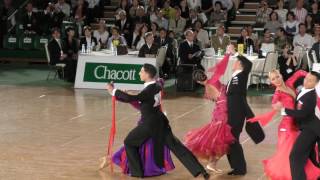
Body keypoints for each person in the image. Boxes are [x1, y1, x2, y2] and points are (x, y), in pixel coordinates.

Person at [106, 64, 210, 179]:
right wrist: (117, 93)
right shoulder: (157, 85)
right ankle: (201, 171)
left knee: (129, 142)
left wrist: (114, 90)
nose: (139, 73)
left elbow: (133, 98)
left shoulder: (148, 90)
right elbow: (150, 90)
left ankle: (137, 173)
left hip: (149, 124)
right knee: (177, 147)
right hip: (160, 122)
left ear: (147, 74)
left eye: (141, 71)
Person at [249, 70, 320, 180]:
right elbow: (274, 104)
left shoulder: (289, 84)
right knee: (288, 155)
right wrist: (277, 106)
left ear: (281, 75)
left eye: (277, 76)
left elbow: (299, 72)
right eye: (273, 79)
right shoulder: (277, 93)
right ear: (271, 81)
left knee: (302, 154)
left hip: (297, 125)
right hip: (286, 127)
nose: (276, 80)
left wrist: (310, 77)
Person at [100, 79, 175, 176]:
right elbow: (133, 98)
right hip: (148, 126)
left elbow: (134, 98)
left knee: (136, 146)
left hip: (152, 125)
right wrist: (116, 92)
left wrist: (116, 92)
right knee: (138, 147)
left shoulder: (151, 94)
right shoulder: (154, 93)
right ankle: (112, 159)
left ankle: (111, 159)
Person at [184, 45, 236, 173]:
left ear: (198, 82)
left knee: (218, 140)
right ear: (204, 74)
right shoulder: (213, 79)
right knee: (221, 140)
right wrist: (228, 54)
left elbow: (216, 99)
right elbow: (222, 66)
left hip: (219, 112)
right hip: (222, 112)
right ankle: (212, 164)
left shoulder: (207, 89)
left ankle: (212, 164)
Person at [275, 71, 320, 180]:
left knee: (295, 157)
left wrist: (284, 110)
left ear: (316, 83)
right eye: (306, 78)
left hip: (310, 129)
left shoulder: (311, 97)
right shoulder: (302, 89)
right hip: (308, 127)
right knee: (312, 158)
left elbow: (302, 113)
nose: (306, 81)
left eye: (310, 80)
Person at [226, 54, 257, 175]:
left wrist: (236, 54)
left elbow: (249, 64)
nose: (234, 62)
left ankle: (240, 168)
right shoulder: (233, 76)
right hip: (231, 113)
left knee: (233, 139)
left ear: (240, 65)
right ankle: (236, 167)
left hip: (237, 113)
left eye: (236, 61)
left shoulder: (242, 75)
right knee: (230, 140)